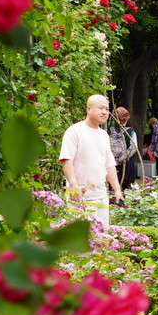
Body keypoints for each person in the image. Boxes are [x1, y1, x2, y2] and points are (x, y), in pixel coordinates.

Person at [60, 94, 123, 227]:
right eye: (101, 108)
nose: (105, 112)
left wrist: (117, 189)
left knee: (101, 238)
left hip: (101, 195)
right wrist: (73, 185)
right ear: (89, 109)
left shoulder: (104, 135)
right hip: (79, 196)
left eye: (107, 109)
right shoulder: (74, 131)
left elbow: (109, 165)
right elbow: (66, 159)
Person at [108, 106, 142, 192]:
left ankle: (113, 203)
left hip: (112, 164)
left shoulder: (109, 131)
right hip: (127, 163)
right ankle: (126, 205)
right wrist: (123, 158)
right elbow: (133, 148)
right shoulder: (130, 132)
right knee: (127, 189)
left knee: (112, 188)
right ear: (126, 118)